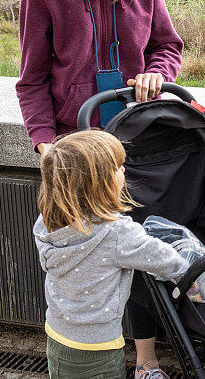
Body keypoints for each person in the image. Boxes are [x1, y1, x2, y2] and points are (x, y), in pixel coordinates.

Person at [16, 0, 184, 379]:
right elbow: (32, 81)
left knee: (138, 247)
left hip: (136, 144)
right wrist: (48, 146)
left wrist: (155, 74)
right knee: (90, 263)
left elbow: (167, 46)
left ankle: (147, 360)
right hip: (78, 155)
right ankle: (78, 354)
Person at [33, 130, 188, 379]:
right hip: (99, 350)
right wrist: (196, 277)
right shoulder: (117, 233)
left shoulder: (48, 223)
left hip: (57, 337)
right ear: (98, 183)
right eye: (117, 166)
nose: (124, 170)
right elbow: (167, 261)